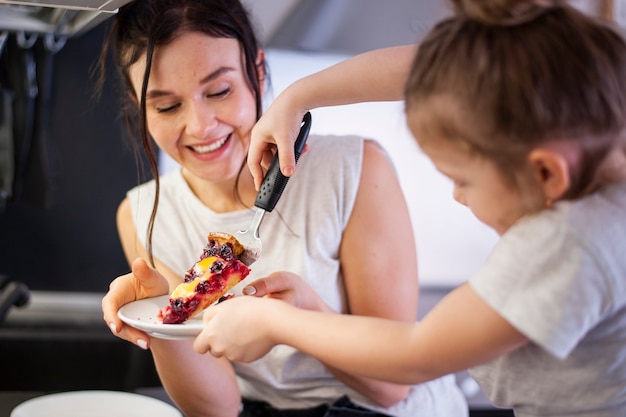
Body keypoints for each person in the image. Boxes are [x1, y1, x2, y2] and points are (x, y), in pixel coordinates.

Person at [193, 1, 626, 416]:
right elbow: (432, 71)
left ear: (547, 173)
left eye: (462, 179)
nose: (458, 195)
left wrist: (275, 324)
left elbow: (416, 354)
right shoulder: (602, 129)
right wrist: (298, 97)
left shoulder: (566, 244)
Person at [99, 0, 468, 416]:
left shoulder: (353, 171)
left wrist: (298, 314)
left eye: (219, 91)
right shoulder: (142, 213)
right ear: (137, 103)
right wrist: (162, 319)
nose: (200, 126)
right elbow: (218, 408)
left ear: (257, 71)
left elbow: (390, 386)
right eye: (166, 105)